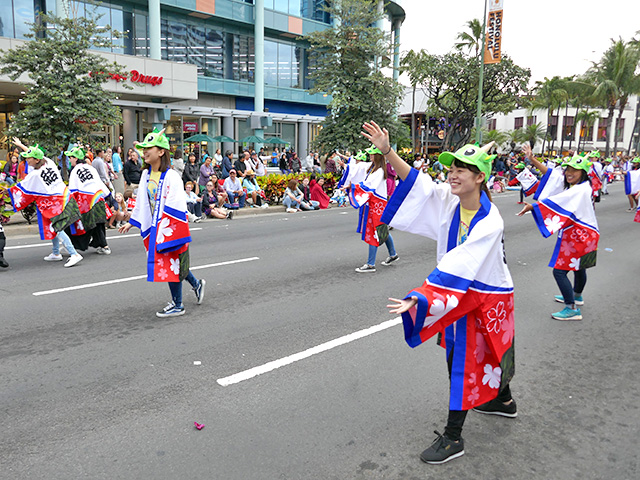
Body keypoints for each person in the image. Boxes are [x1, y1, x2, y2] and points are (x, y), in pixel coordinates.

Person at [362, 121, 516, 465]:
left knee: (460, 361)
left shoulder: (491, 222)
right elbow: (417, 183)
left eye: (462, 169)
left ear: (480, 178)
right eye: (452, 167)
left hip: (483, 294)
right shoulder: (450, 201)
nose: (453, 174)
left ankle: (453, 437)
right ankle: (504, 401)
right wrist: (388, 151)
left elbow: (463, 263)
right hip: (461, 291)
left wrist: (422, 296)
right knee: (486, 354)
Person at [119, 128, 205, 318]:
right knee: (173, 263)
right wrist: (132, 222)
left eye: (149, 147)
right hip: (157, 227)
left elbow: (176, 205)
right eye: (144, 148)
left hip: (169, 228)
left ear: (161, 152)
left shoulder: (172, 176)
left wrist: (166, 230)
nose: (145, 151)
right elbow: (143, 202)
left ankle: (178, 304)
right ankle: (196, 284)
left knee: (171, 263)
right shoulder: (145, 175)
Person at [517, 144, 599, 321]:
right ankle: (577, 296)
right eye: (568, 169)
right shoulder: (583, 186)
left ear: (583, 172)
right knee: (579, 267)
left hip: (578, 235)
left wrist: (533, 207)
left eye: (574, 170)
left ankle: (571, 308)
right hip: (589, 234)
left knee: (559, 271)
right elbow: (552, 174)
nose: (569, 173)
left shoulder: (577, 190)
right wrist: (532, 159)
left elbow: (557, 201)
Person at [9, 143, 83, 267]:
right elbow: (36, 154)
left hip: (56, 202)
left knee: (56, 227)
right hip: (64, 196)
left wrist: (7, 191)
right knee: (51, 225)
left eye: (28, 158)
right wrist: (21, 145)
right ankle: (56, 253)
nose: (26, 160)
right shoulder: (48, 162)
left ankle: (74, 253)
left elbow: (22, 188)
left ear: (36, 160)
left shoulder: (35, 174)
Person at [337, 145, 398, 273]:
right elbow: (358, 166)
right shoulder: (373, 167)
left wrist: (351, 187)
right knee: (382, 230)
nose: (370, 156)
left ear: (378, 156)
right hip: (377, 203)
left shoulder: (379, 171)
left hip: (377, 204)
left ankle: (371, 264)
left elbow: (368, 185)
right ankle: (393, 254)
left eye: (372, 154)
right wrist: (346, 165)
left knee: (374, 232)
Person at [65, 147, 112, 255]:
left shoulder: (75, 170)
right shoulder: (90, 168)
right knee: (98, 223)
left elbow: (73, 189)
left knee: (87, 224)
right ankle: (102, 245)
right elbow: (99, 183)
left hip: (86, 200)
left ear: (76, 158)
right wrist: (108, 195)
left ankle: (99, 245)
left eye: (70, 157)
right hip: (97, 197)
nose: (69, 160)